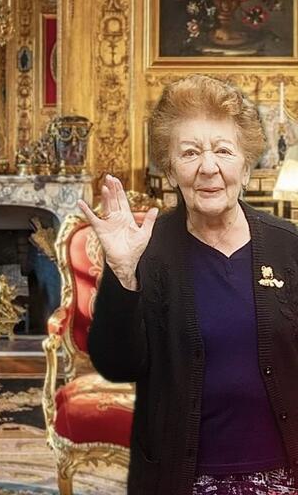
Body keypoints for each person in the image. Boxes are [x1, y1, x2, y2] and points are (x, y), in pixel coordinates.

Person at [79, 74, 298, 495]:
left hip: (284, 475)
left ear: (247, 165)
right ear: (171, 167)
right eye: (190, 152)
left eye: (223, 150)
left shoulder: (288, 247)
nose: (208, 167)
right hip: (180, 478)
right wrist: (123, 273)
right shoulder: (148, 249)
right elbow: (115, 364)